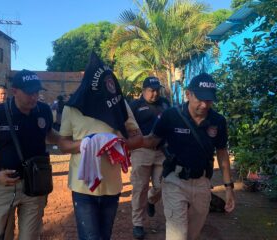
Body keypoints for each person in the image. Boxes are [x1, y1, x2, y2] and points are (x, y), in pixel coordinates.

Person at [128, 73, 236, 240]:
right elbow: (152, 140)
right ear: (188, 94)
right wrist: (129, 143)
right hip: (174, 180)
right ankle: (139, 221)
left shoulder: (218, 121)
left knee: (192, 234)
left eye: (209, 100)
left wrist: (229, 187)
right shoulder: (171, 115)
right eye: (199, 99)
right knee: (177, 235)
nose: (204, 104)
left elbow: (222, 153)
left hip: (202, 183)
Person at [58, 52, 141, 240]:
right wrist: (88, 144)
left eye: (110, 82)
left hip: (112, 185)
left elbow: (139, 139)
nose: (109, 86)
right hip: (83, 186)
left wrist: (117, 143)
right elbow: (63, 144)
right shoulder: (72, 107)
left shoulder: (119, 105)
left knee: (104, 236)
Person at [0, 69, 59, 240]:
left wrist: (82, 144)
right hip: (3, 184)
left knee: (30, 237)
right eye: (29, 93)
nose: (34, 97)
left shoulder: (43, 110)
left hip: (35, 185)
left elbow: (51, 135)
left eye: (37, 92)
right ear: (14, 91)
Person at [129, 76, 170, 239]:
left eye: (157, 90)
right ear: (144, 90)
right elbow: (126, 127)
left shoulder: (165, 104)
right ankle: (137, 223)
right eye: (151, 91)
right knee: (140, 188)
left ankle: (151, 201)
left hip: (161, 152)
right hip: (141, 151)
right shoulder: (135, 106)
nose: (155, 94)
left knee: (162, 185)